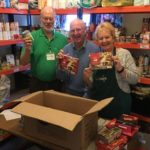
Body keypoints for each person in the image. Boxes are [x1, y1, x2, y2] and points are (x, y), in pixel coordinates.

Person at [83, 22, 140, 119]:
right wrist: (87, 78)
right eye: (101, 38)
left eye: (107, 37)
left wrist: (121, 70)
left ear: (113, 37)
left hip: (118, 107)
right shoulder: (95, 57)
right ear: (97, 41)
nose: (104, 41)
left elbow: (135, 79)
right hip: (99, 107)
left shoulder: (123, 54)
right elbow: (91, 86)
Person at [20, 6, 68, 93]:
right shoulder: (32, 37)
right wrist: (27, 49)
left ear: (55, 19)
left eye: (51, 18)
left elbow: (67, 63)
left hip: (57, 84)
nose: (48, 21)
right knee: (36, 107)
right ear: (40, 19)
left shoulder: (63, 39)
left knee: (55, 106)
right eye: (45, 18)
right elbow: (23, 63)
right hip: (37, 84)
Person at [57, 18, 100, 97]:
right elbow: (61, 77)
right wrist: (60, 66)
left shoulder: (95, 49)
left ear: (85, 31)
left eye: (78, 30)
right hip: (68, 93)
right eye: (72, 30)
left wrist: (89, 77)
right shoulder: (66, 49)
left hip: (88, 94)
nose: (75, 33)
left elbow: (98, 78)